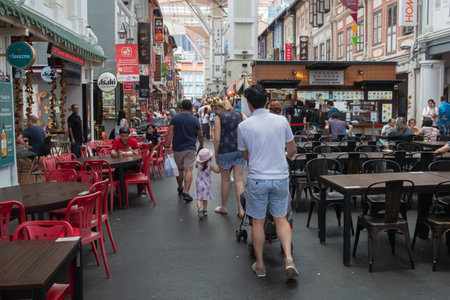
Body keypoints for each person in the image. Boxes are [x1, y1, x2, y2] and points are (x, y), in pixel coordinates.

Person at [237, 84, 298, 278]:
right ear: (267, 101)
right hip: (280, 177)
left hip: (258, 178)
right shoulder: (281, 121)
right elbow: (292, 148)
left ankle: (261, 265)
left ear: (248, 104)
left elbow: (245, 154)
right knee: (281, 219)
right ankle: (288, 259)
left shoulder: (243, 126)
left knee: (257, 222)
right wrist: (284, 158)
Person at [165, 100, 204, 202]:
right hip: (190, 148)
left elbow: (170, 133)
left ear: (181, 106)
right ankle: (186, 192)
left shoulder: (175, 118)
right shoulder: (195, 119)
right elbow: (200, 134)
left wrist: (166, 146)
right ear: (191, 107)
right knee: (188, 170)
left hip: (177, 148)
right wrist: (201, 145)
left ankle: (180, 187)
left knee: (179, 169)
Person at [213, 100, 246, 217]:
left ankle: (224, 207)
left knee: (225, 180)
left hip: (225, 150)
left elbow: (216, 138)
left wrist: (216, 155)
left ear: (220, 108)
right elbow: (249, 125)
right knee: (238, 180)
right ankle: (241, 209)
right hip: (239, 149)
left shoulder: (219, 117)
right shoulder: (240, 114)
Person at [194, 148, 220, 219]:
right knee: (205, 199)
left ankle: (199, 209)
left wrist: (198, 160)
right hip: (207, 185)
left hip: (199, 184)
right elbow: (217, 171)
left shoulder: (198, 165)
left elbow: (196, 165)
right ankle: (205, 210)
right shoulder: (210, 166)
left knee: (199, 198)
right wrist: (219, 165)